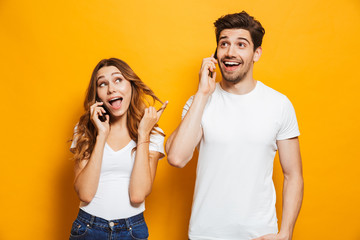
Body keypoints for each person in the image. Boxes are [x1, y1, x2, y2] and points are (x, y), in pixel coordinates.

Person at [166, 11, 303, 240]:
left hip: (259, 234)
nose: (230, 52)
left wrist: (286, 232)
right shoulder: (199, 102)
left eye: (241, 44)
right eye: (224, 44)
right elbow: (177, 158)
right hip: (205, 235)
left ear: (256, 53)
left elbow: (293, 175)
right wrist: (202, 93)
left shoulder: (279, 104)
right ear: (215, 53)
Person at [69, 58, 167, 240]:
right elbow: (85, 193)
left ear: (131, 86)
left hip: (132, 230)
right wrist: (101, 135)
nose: (111, 89)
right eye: (103, 84)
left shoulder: (152, 132)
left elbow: (138, 195)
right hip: (87, 228)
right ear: (97, 94)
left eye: (118, 80)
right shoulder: (85, 129)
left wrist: (143, 134)